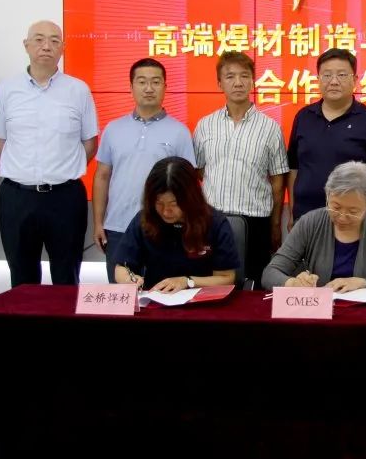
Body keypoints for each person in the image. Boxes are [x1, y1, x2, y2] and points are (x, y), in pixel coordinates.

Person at [0, 20, 98, 286]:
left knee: (67, 276)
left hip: (65, 197)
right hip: (17, 196)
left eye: (54, 40)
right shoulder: (7, 90)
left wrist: (62, 169)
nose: (46, 46)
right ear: (26, 45)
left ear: (63, 48)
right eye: (38, 39)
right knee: (22, 279)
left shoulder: (78, 90)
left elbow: (90, 143)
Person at [92, 58, 195, 282]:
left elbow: (188, 185)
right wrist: (99, 223)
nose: (149, 88)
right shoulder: (113, 129)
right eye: (142, 82)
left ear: (165, 87)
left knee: (163, 293)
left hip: (164, 227)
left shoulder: (180, 132)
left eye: (156, 82)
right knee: (123, 295)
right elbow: (102, 177)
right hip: (118, 227)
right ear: (131, 87)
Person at [194, 51, 288, 286]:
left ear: (253, 81)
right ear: (219, 83)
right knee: (212, 286)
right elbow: (199, 171)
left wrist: (275, 225)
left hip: (256, 223)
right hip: (212, 222)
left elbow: (278, 182)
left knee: (253, 288)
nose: (238, 83)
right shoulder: (205, 125)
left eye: (244, 76)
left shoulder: (270, 128)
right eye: (230, 76)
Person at [262, 161, 366, 292]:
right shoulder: (309, 223)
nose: (342, 217)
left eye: (352, 212)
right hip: (318, 309)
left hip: (365, 311)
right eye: (335, 207)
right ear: (327, 196)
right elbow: (270, 274)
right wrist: (293, 283)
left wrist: (363, 284)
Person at [286, 48, 366, 223]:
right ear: (318, 79)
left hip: (351, 221)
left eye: (342, 75)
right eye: (327, 75)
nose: (334, 81)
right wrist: (292, 212)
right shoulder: (303, 117)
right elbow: (294, 169)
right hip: (305, 219)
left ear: (354, 80)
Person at [113, 157, 239, 292]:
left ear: (191, 198)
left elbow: (226, 278)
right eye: (159, 203)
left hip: (202, 299)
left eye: (174, 204)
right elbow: (121, 267)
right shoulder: (145, 220)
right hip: (156, 298)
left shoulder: (214, 223)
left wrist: (187, 281)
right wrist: (128, 279)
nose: (166, 211)